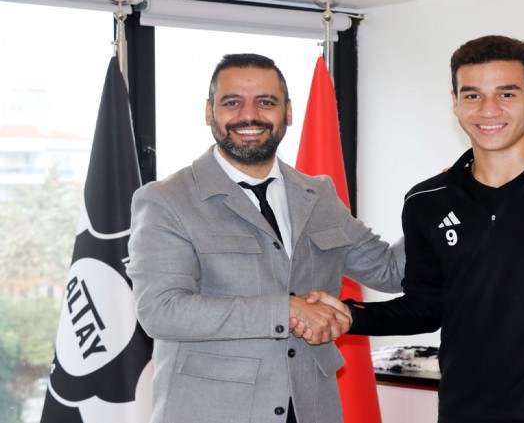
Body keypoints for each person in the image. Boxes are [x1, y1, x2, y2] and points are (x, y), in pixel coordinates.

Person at [306, 35, 524, 422]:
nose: (489, 110)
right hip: (464, 412)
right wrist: (352, 315)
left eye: (506, 94)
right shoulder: (427, 200)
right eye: (472, 95)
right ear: (455, 103)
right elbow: (426, 307)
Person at [127, 53, 404, 423]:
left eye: (266, 102)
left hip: (312, 410)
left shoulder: (318, 194)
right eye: (232, 102)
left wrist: (443, 205)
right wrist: (285, 310)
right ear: (209, 112)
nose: (249, 115)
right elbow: (162, 311)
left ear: (288, 112)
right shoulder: (167, 200)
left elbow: (389, 271)